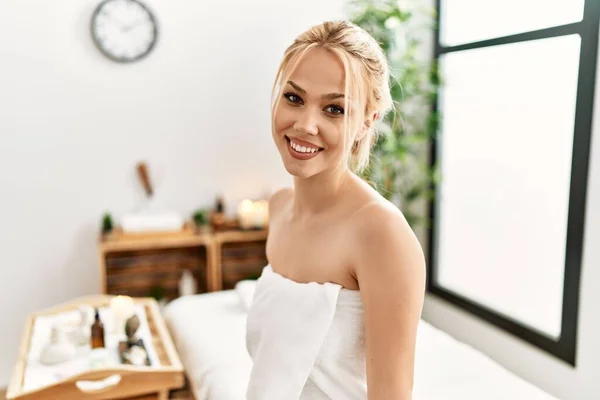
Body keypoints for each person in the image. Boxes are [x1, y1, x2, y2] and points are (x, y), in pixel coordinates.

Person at [245, 20, 426, 400]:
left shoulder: (380, 233)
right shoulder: (278, 210)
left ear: (366, 123)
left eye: (334, 109)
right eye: (293, 98)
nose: (305, 125)